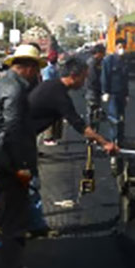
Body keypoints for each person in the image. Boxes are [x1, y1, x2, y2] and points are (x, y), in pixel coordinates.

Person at [24, 53, 118, 236]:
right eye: (84, 77)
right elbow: (79, 125)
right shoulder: (58, 94)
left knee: (29, 184)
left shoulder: (52, 87)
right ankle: (32, 227)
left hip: (23, 138)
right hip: (19, 141)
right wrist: (105, 143)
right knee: (30, 184)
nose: (85, 81)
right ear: (74, 76)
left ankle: (32, 225)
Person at [0, 44, 45, 268]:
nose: (37, 75)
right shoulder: (15, 91)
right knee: (13, 221)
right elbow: (13, 132)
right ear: (28, 68)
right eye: (35, 69)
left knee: (3, 219)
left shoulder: (4, 83)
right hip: (9, 165)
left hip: (0, 161)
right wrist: (21, 167)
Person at [101, 38, 131, 144]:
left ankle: (121, 138)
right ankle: (113, 139)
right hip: (112, 93)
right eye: (120, 47)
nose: (122, 50)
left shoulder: (125, 61)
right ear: (115, 47)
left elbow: (126, 79)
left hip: (122, 94)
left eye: (123, 47)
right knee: (113, 117)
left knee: (121, 117)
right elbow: (105, 76)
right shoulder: (108, 60)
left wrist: (127, 94)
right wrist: (105, 91)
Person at [40, 49, 63, 146]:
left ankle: (54, 136)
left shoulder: (55, 68)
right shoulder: (47, 69)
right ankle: (47, 138)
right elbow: (47, 83)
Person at [83, 43, 106, 125]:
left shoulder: (98, 62)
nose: (104, 55)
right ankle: (91, 132)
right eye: (103, 53)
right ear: (98, 53)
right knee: (92, 112)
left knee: (96, 113)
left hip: (95, 90)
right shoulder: (92, 63)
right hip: (92, 90)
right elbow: (92, 79)